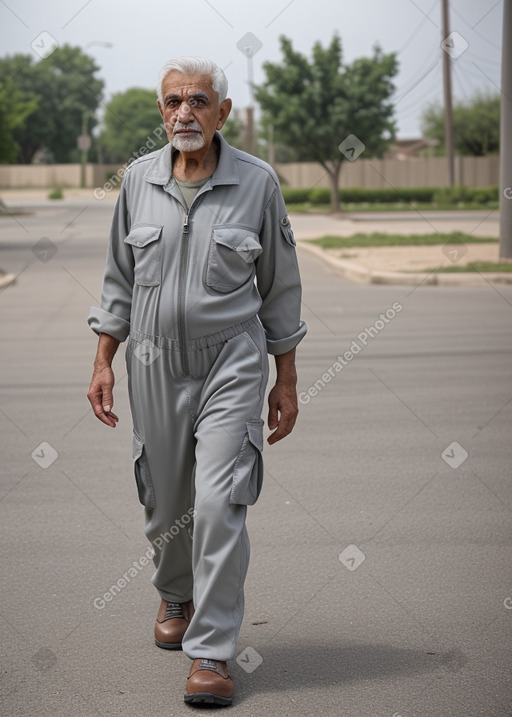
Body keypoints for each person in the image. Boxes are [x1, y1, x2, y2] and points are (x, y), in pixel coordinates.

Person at [87, 56, 306, 706]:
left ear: (223, 112)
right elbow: (118, 279)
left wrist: (285, 378)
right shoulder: (136, 183)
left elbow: (281, 290)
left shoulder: (257, 184)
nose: (185, 112)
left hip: (231, 363)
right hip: (152, 360)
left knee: (219, 500)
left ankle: (210, 649)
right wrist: (103, 357)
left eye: (199, 100)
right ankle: (174, 589)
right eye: (173, 101)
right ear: (162, 111)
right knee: (165, 499)